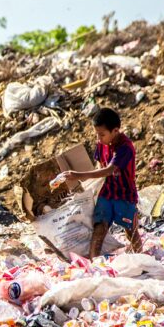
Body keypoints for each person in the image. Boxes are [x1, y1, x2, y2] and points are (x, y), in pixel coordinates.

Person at [53, 107, 142, 258]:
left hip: (124, 195)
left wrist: (78, 175)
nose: (99, 138)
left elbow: (108, 170)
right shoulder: (101, 144)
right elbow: (100, 166)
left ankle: (141, 258)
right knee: (99, 227)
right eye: (97, 134)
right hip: (107, 192)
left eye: (102, 134)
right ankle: (95, 263)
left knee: (131, 231)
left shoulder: (125, 148)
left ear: (115, 131)